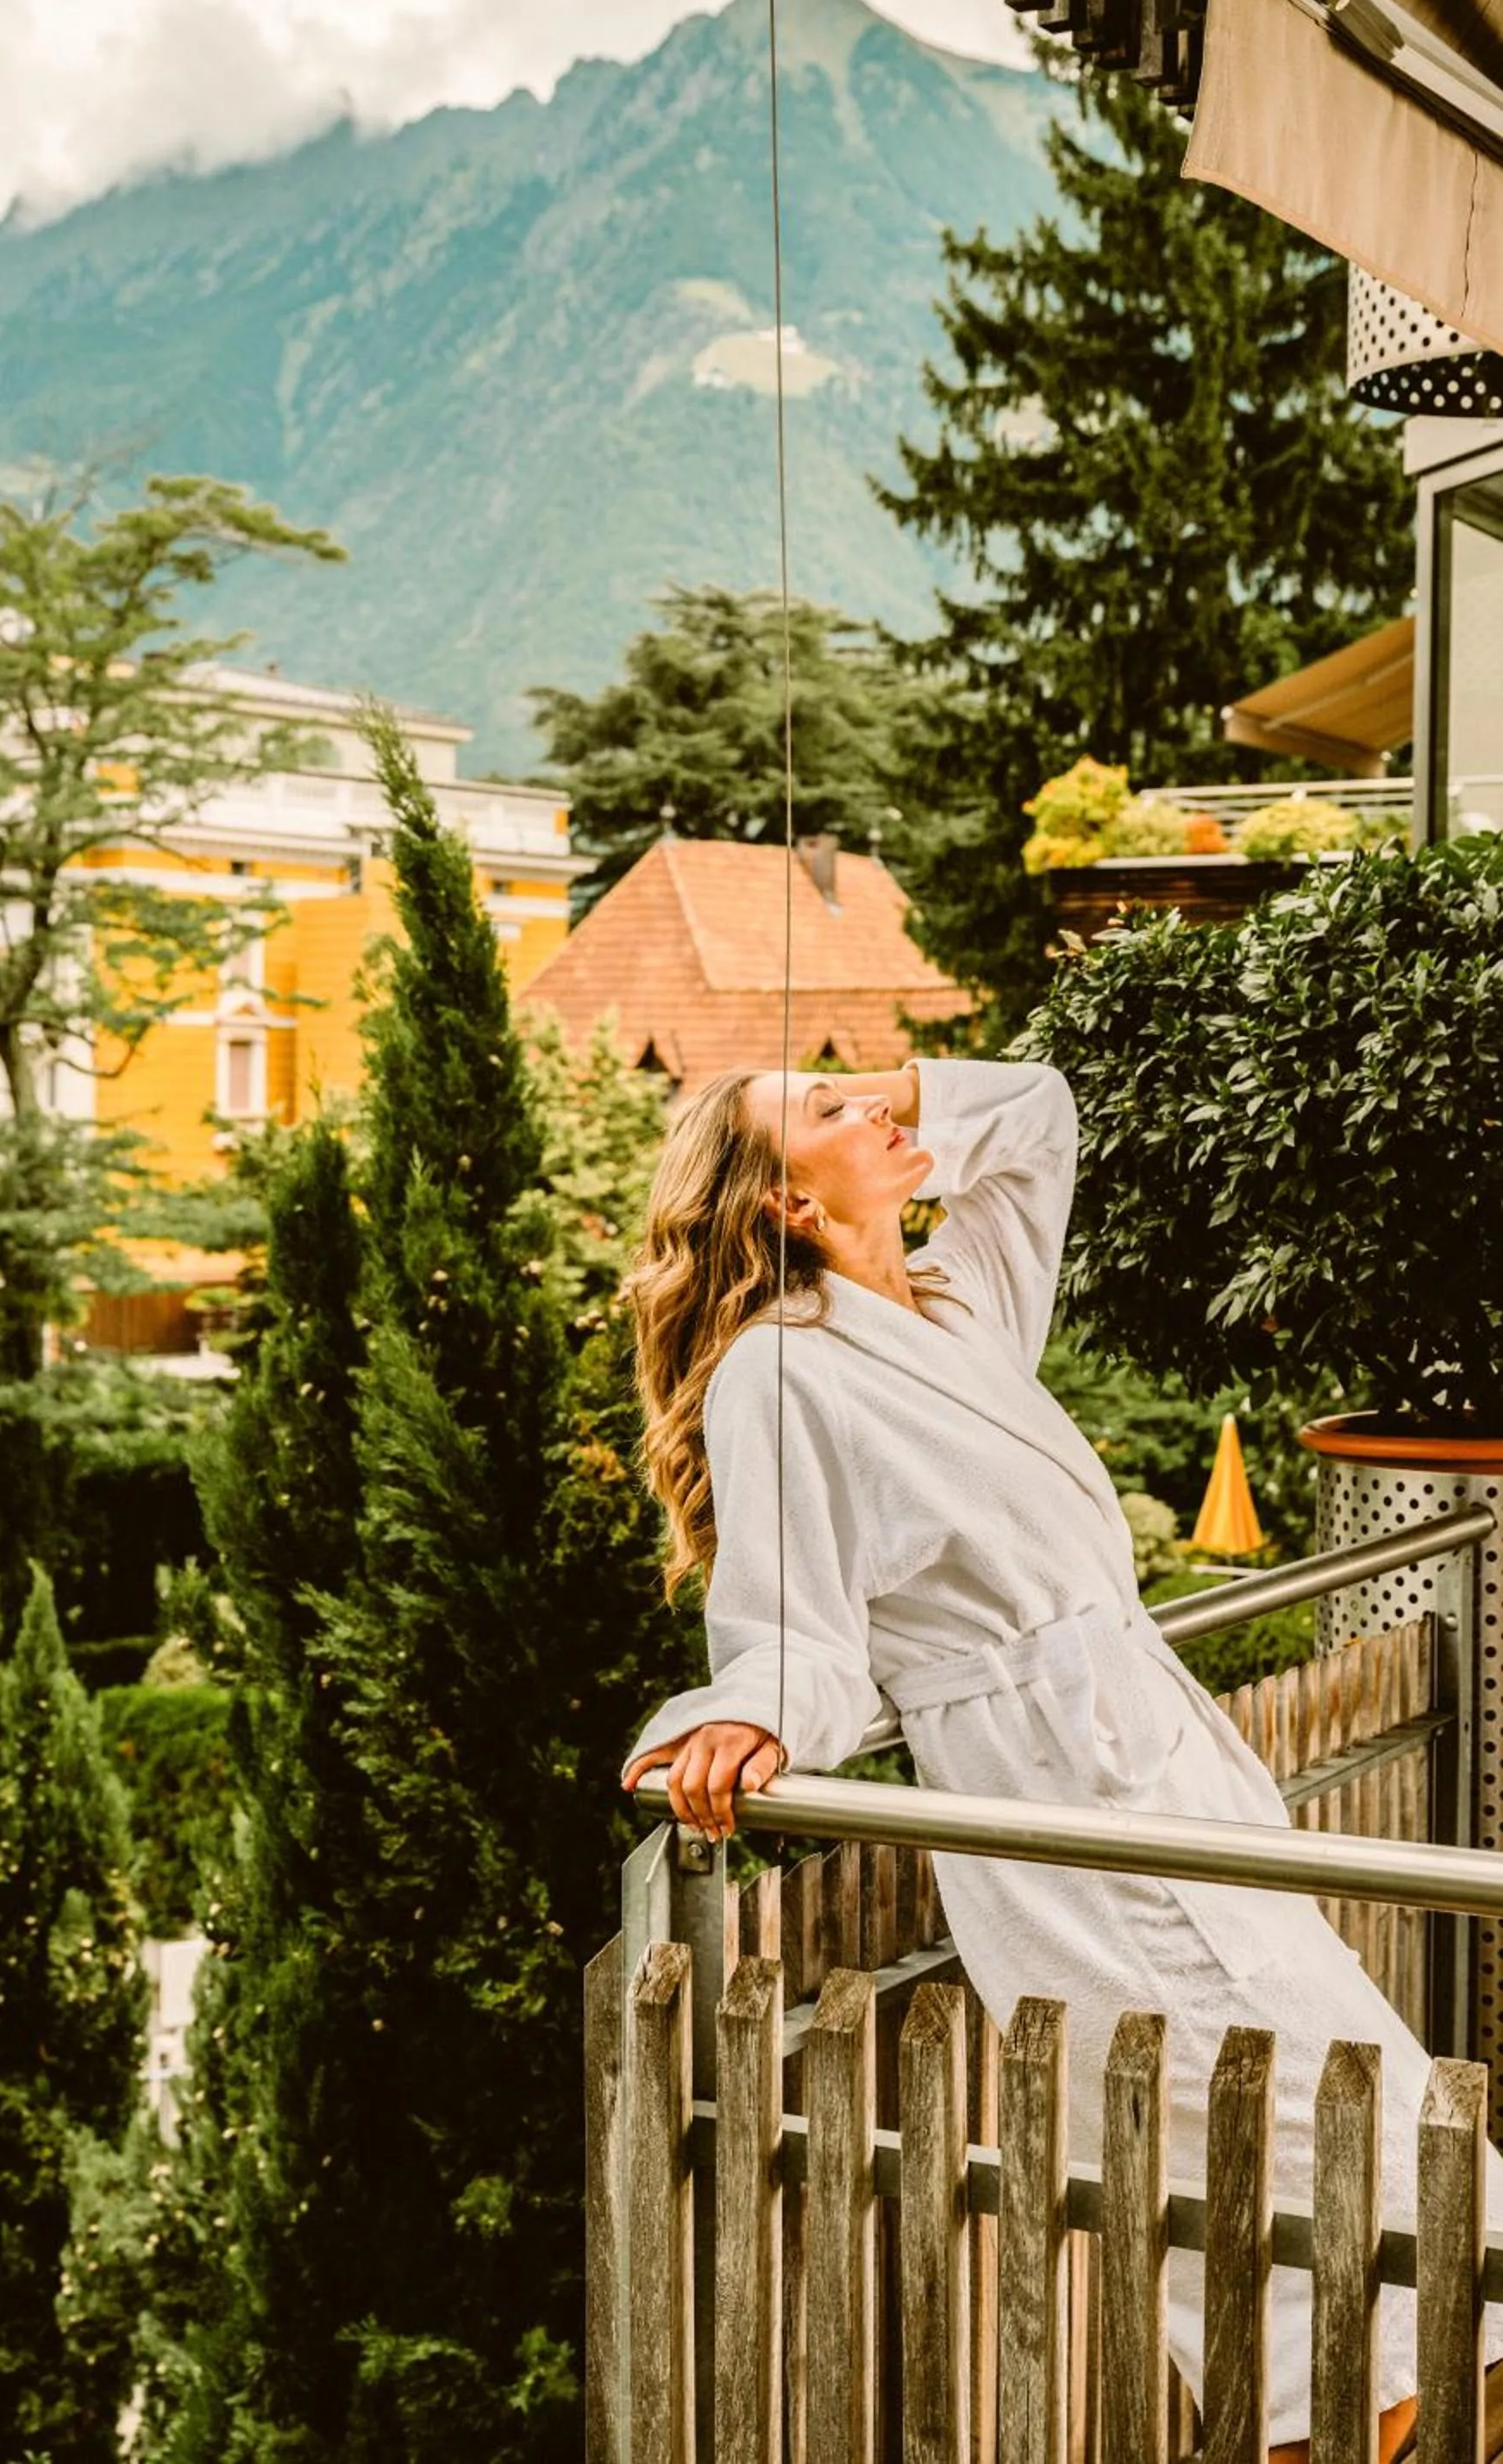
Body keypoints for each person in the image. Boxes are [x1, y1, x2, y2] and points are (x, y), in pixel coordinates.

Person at [622, 1055, 1503, 2464]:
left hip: (1164, 1777)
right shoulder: (780, 1374)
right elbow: (801, 1630)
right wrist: (750, 1715)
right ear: (785, 1198)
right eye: (831, 1111)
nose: (880, 1112)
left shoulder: (953, 1315)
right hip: (1066, 1826)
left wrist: (882, 1076)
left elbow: (1034, 1118)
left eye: (864, 1089)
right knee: (1320, 2242)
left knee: (1361, 2208)